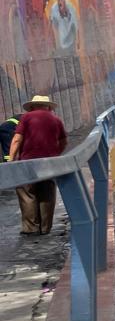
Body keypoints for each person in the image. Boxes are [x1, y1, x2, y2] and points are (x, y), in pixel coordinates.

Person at [9, 95, 67, 236]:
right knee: (47, 192)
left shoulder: (27, 117)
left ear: (33, 106)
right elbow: (64, 141)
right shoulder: (56, 120)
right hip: (49, 163)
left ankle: (31, 228)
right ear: (48, 106)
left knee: (27, 192)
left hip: (28, 162)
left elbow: (17, 139)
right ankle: (45, 227)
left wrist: (11, 160)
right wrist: (55, 154)